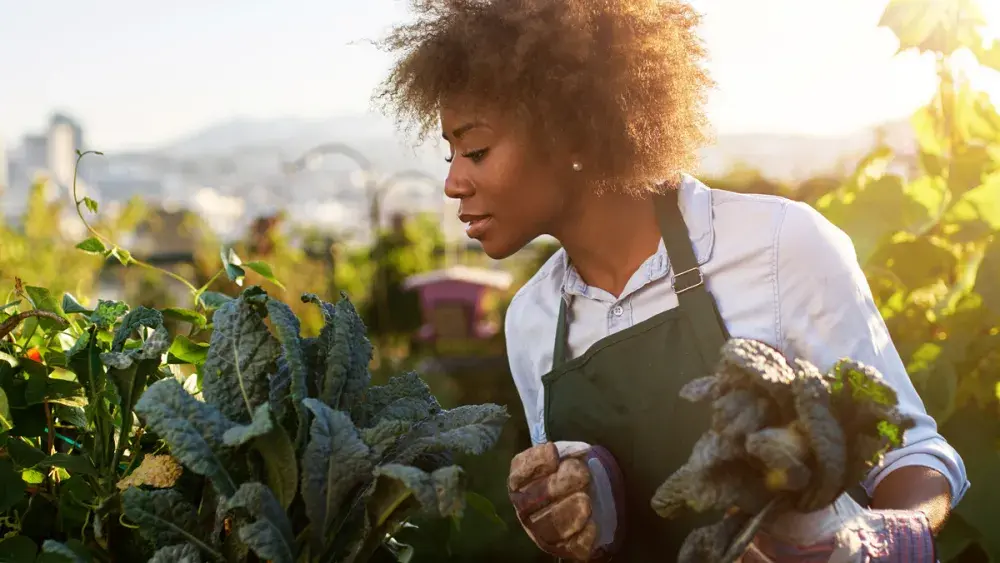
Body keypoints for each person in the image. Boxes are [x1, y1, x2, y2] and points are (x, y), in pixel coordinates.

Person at [374, 0, 969, 561]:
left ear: (574, 132)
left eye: (475, 150)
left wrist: (891, 539)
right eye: (450, 153)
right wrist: (579, 516)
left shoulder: (779, 246)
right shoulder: (532, 323)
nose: (453, 182)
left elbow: (914, 453)